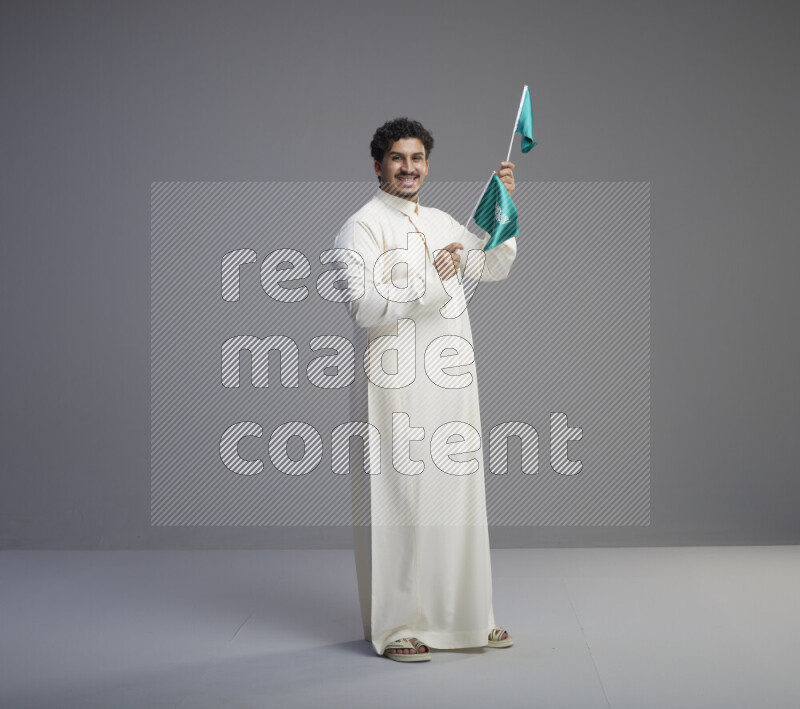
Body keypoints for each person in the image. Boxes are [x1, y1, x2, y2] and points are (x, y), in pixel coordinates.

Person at [333, 117, 518, 662]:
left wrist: (504, 206)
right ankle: (397, 629)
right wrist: (435, 280)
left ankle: (466, 618)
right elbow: (364, 307)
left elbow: (490, 265)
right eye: (397, 158)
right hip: (394, 379)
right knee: (401, 498)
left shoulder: (440, 222)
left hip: (451, 377)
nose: (408, 168)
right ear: (378, 165)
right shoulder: (360, 228)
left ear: (427, 165)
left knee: (458, 495)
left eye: (417, 159)